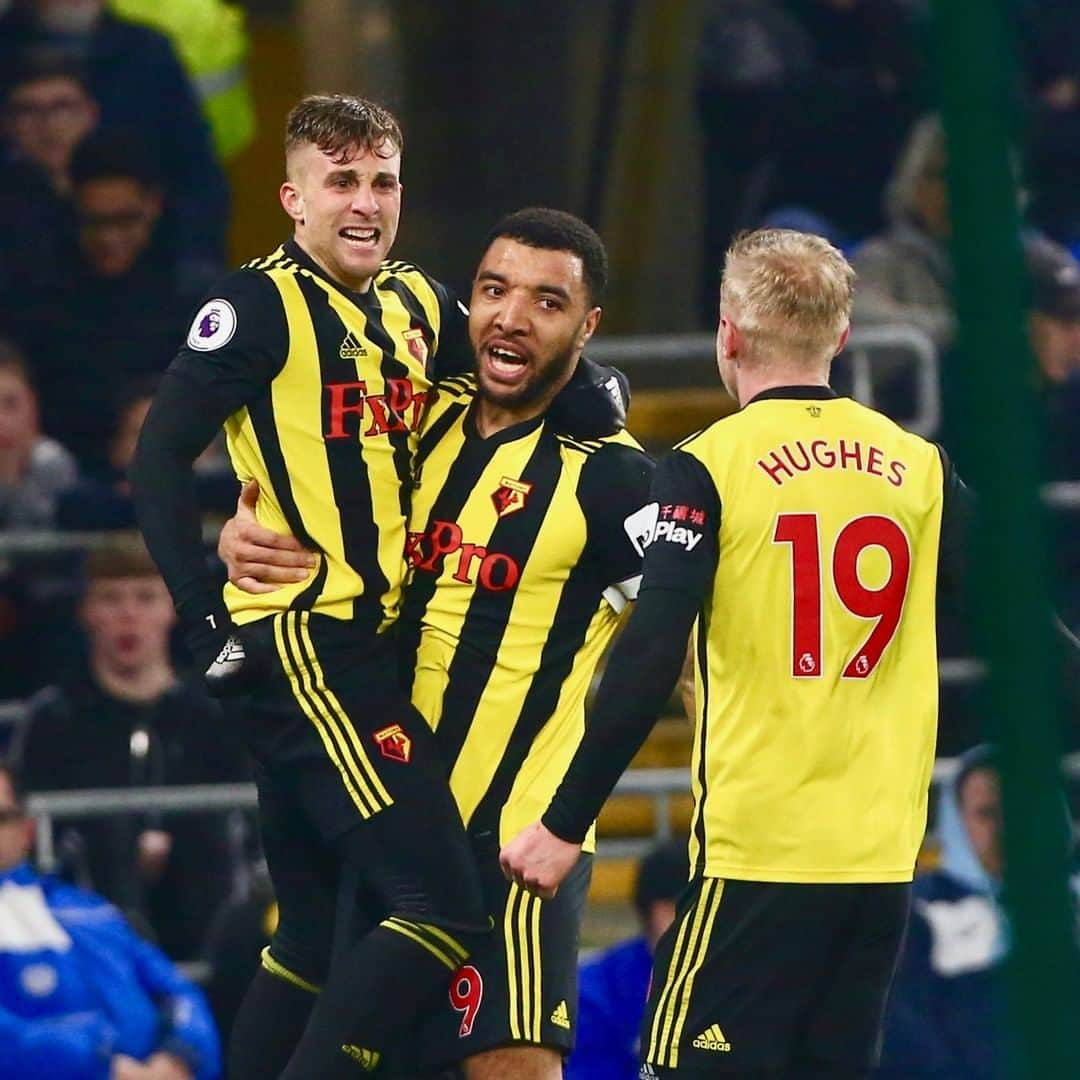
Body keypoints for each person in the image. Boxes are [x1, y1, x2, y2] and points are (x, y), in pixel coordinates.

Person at [501, 228, 970, 1077]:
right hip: (880, 870)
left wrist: (564, 823)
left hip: (759, 859)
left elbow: (650, 651)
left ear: (728, 334)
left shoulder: (707, 466)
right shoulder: (923, 468)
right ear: (841, 336)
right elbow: (1034, 634)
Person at [217, 207, 651, 1080]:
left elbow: (684, 634)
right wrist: (241, 532)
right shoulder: (420, 418)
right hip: (385, 822)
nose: (512, 318)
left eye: (547, 302)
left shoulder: (614, 477)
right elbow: (305, 493)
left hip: (513, 844)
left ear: (587, 325)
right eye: (493, 291)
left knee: (510, 1068)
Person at [128, 94, 492, 1080]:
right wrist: (204, 613)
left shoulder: (418, 299)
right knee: (443, 903)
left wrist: (599, 396)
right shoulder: (253, 308)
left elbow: (507, 383)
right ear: (293, 198)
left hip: (369, 640)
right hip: (310, 639)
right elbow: (156, 460)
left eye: (382, 181)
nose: (366, 203)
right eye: (343, 183)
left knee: (312, 929)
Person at [10, 535, 248, 960]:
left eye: (145, 598)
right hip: (87, 937)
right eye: (111, 599)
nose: (128, 615)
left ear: (171, 609)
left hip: (207, 924)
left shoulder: (215, 715)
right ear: (85, 612)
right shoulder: (51, 720)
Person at [0, 764, 222, 1079]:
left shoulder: (91, 911)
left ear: (27, 829)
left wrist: (179, 1057)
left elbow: (176, 991)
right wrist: (102, 1067)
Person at [0, 0, 230, 268]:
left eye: (63, 108)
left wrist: (193, 263)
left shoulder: (145, 51)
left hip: (147, 271)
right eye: (27, 111)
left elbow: (196, 174)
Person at [877, 746, 1010, 1078]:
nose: (1007, 828)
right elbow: (899, 1026)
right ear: (955, 819)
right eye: (987, 813)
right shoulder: (919, 908)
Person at [566, 844, 689, 1080]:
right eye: (678, 908)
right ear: (650, 910)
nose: (689, 923)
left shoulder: (737, 981)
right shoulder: (595, 993)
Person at [0, 340, 78, 529]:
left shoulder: (51, 462)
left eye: (10, 404)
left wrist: (10, 480)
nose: (1, 419)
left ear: (32, 406)